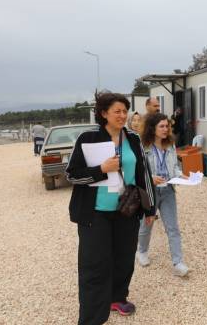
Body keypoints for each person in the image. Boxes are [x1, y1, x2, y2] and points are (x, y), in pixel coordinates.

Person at [65, 92, 156, 324]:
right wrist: (100, 169)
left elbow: (143, 174)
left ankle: (117, 297)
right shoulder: (88, 138)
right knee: (94, 266)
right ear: (104, 113)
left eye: (125, 111)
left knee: (124, 259)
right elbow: (71, 175)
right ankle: (91, 319)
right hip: (95, 214)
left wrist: (149, 208)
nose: (123, 115)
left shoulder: (133, 138)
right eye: (117, 111)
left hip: (127, 210)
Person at [135, 113, 189, 276]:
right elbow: (138, 171)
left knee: (173, 227)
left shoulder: (171, 145)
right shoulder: (142, 147)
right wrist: (150, 178)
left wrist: (182, 175)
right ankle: (142, 251)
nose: (166, 129)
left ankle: (178, 263)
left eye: (167, 126)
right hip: (149, 192)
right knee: (147, 225)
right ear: (152, 128)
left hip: (168, 191)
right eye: (162, 126)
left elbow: (173, 169)